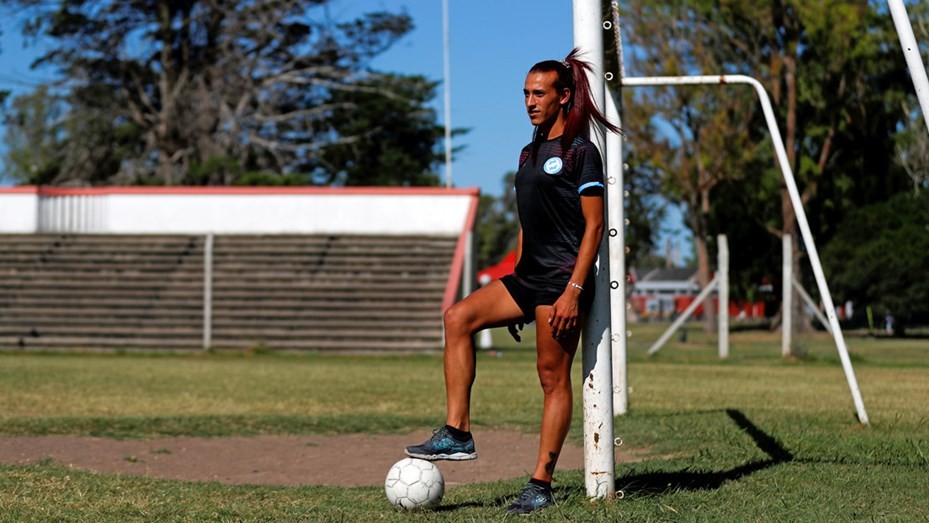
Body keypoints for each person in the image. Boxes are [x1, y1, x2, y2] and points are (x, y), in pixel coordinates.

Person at [404, 48, 621, 515]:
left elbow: (594, 228)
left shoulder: (582, 153)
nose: (529, 101)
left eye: (539, 93)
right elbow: (529, 220)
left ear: (564, 97)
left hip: (563, 283)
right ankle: (457, 433)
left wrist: (573, 291)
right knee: (457, 317)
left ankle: (540, 485)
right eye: (525, 93)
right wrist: (517, 288)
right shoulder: (529, 150)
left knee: (550, 379)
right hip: (527, 279)